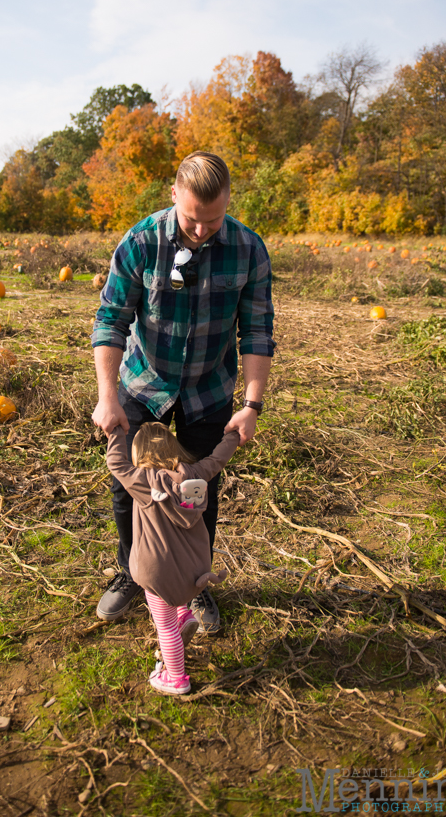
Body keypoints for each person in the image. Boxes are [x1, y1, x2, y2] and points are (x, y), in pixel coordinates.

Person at [91, 151, 274, 632]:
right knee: (128, 488)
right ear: (174, 195)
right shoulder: (141, 241)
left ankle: (194, 582)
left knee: (198, 491)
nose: (201, 230)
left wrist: (251, 404)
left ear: (229, 201)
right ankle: (132, 572)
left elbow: (257, 331)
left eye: (212, 220)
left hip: (208, 389)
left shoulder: (249, 248)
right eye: (193, 218)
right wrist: (107, 395)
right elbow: (111, 319)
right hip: (143, 383)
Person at [106, 421, 240, 694]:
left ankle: (176, 677)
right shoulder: (195, 475)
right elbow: (217, 460)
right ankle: (185, 615)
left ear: (139, 453)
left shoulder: (141, 481)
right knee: (175, 607)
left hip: (157, 574)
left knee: (164, 627)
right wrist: (234, 436)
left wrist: (115, 432)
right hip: (194, 573)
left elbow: (115, 463)